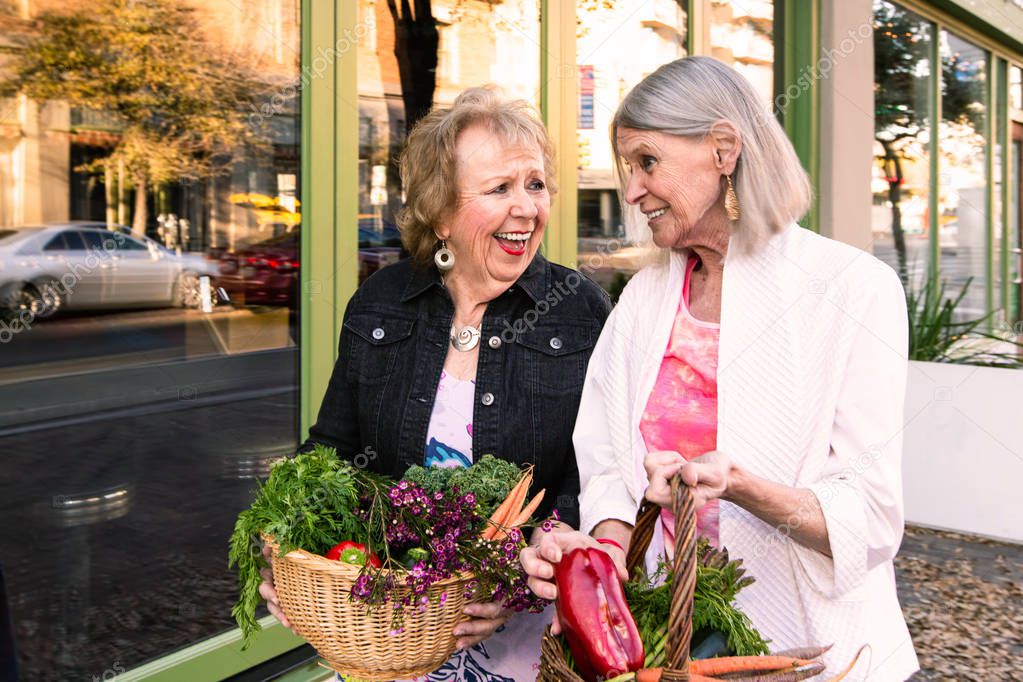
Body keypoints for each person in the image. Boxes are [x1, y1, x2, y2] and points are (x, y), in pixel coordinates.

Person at [521, 56, 920, 681]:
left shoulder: (853, 290)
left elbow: (869, 522)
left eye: (647, 162)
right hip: (668, 643)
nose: (631, 191)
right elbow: (604, 466)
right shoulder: (644, 299)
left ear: (723, 150)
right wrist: (599, 555)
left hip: (816, 652)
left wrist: (741, 486)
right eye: (629, 169)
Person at [259, 87, 611, 681]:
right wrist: (290, 550)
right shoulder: (383, 303)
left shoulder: (580, 313)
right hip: (391, 638)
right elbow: (332, 450)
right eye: (499, 189)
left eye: (535, 184)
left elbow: (599, 481)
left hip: (529, 648)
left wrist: (520, 582)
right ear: (441, 212)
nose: (526, 208)